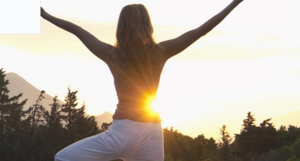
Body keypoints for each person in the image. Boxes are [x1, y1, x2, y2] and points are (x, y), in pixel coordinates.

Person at [41, 0, 243, 160]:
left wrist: (45, 15)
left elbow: (78, 30)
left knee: (63, 158)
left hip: (123, 133)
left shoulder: (113, 54)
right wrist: (235, 3)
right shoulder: (161, 52)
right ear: (148, 25)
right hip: (153, 133)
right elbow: (201, 30)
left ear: (121, 27)